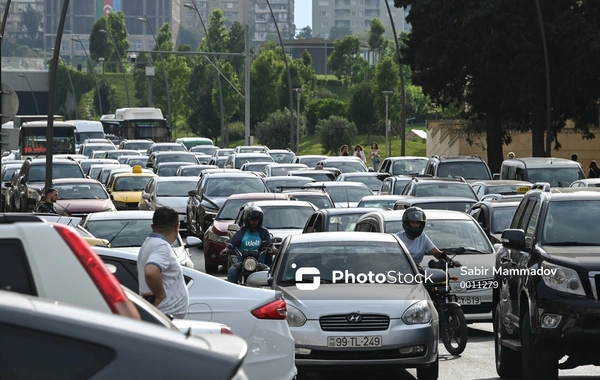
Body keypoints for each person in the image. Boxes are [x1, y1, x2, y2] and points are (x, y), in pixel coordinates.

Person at [137, 207, 189, 318]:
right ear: (177, 227)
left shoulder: (149, 243)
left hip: (161, 315)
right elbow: (151, 272)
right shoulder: (162, 247)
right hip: (164, 315)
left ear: (152, 227)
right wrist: (160, 295)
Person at [221, 205, 278, 283]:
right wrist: (226, 249)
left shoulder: (264, 232)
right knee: (232, 271)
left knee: (269, 273)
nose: (254, 221)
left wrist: (273, 249)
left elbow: (270, 244)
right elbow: (232, 244)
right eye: (252, 219)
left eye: (256, 219)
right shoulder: (240, 232)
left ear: (260, 220)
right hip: (242, 263)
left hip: (260, 263)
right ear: (247, 220)